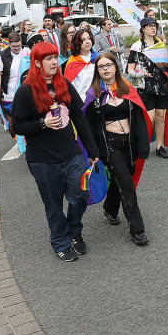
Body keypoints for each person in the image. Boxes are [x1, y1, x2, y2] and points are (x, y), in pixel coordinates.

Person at [11, 42, 100, 262]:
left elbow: (79, 117)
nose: (54, 62)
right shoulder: (26, 91)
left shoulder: (64, 85)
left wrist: (92, 149)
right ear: (37, 63)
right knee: (53, 205)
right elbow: (17, 127)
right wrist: (43, 123)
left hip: (71, 154)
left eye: (54, 58)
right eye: (48, 59)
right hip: (42, 160)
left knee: (80, 196)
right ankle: (61, 241)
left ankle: (74, 230)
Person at [84, 53, 152, 245]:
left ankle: (110, 207)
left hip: (129, 143)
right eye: (101, 66)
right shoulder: (94, 95)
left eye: (108, 65)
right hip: (109, 145)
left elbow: (138, 118)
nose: (105, 69)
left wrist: (143, 145)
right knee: (127, 185)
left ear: (115, 67)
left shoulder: (127, 89)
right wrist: (92, 152)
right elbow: (89, 126)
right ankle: (137, 229)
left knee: (121, 178)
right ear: (97, 71)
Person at [127, 16, 168, 158]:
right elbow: (129, 69)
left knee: (160, 117)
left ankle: (159, 147)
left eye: (155, 26)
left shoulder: (161, 45)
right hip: (144, 87)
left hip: (161, 86)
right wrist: (140, 74)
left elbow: (166, 67)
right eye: (150, 26)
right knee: (149, 118)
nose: (153, 28)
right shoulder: (136, 46)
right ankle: (142, 146)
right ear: (143, 29)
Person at [64, 29, 97, 100]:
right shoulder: (72, 62)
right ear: (77, 42)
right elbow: (69, 86)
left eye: (89, 38)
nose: (87, 42)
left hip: (98, 99)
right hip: (81, 101)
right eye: (83, 40)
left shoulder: (98, 58)